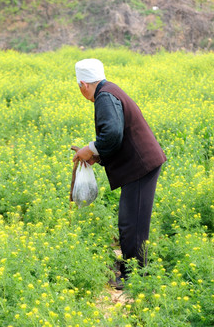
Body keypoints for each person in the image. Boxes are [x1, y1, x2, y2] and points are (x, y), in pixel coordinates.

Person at [73, 58, 166, 289]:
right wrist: (97, 155)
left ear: (82, 84)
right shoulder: (109, 90)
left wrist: (90, 148)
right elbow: (115, 137)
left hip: (141, 165)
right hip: (141, 163)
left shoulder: (104, 97)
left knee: (131, 223)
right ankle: (133, 269)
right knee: (131, 221)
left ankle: (134, 277)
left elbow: (112, 134)